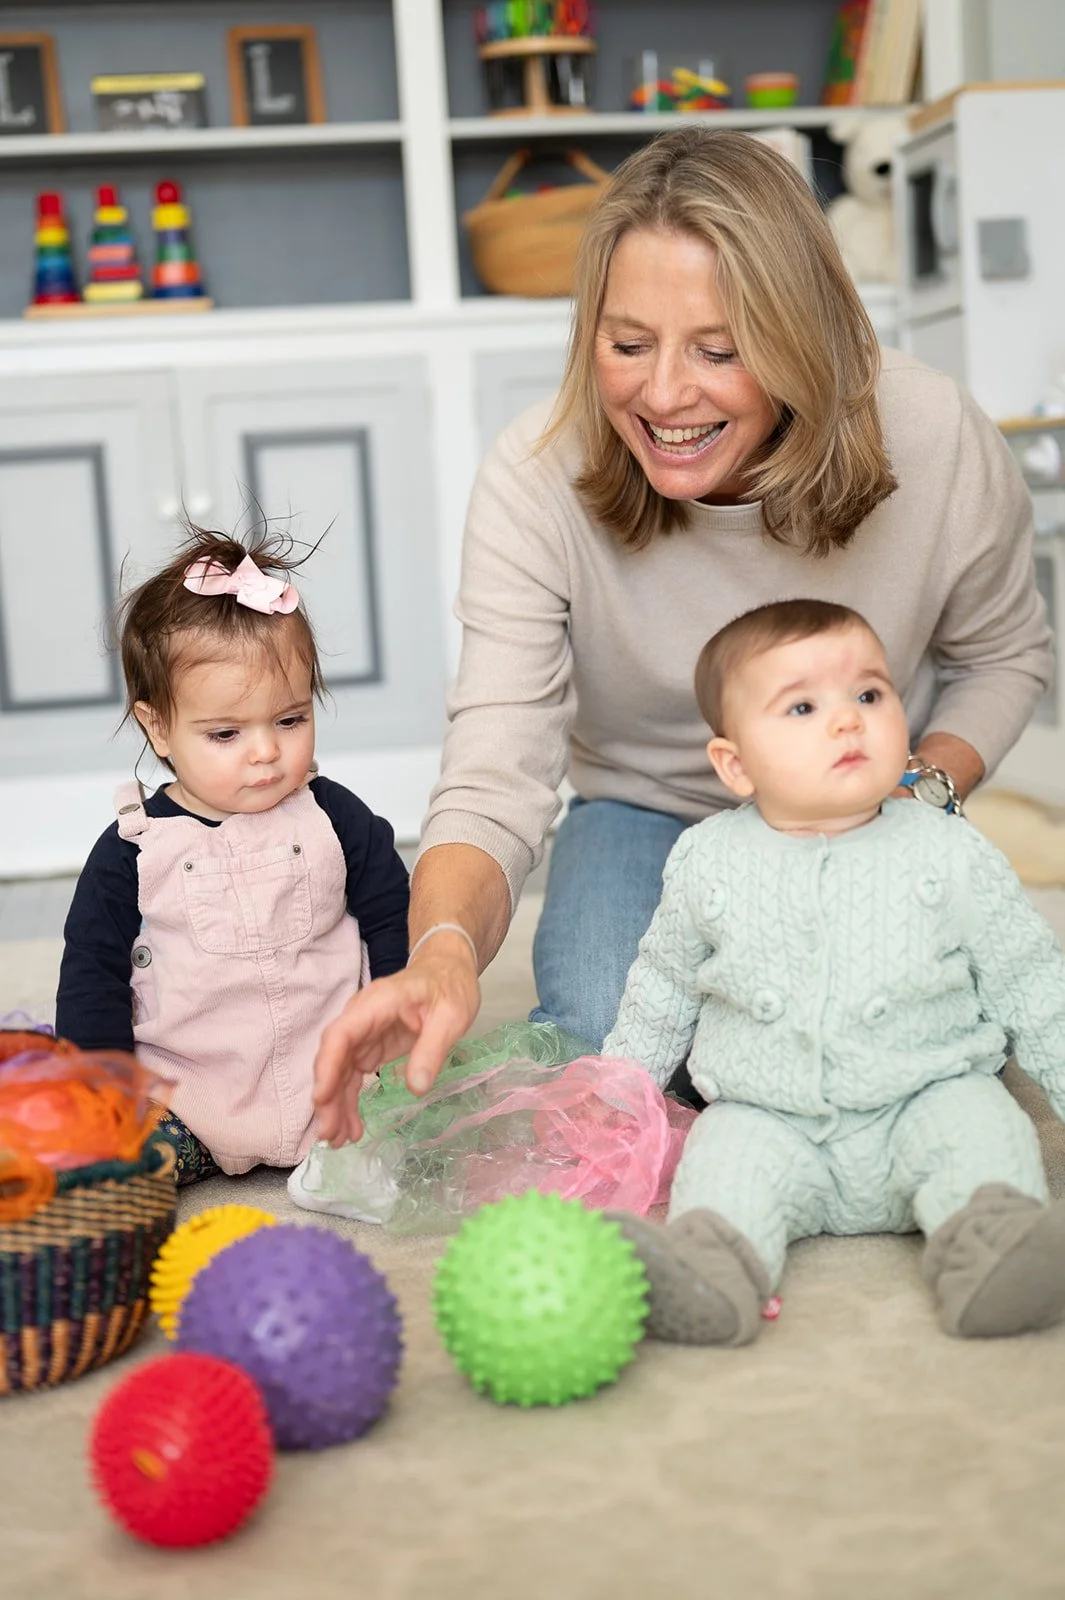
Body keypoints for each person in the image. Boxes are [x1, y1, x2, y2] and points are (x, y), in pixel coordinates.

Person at [312, 125, 1051, 1150]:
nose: (663, 395)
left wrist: (905, 795)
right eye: (627, 345)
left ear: (804, 338)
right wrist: (441, 951)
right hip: (646, 812)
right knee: (612, 1065)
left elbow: (1002, 655)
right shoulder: (536, 477)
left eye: (720, 349)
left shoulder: (932, 432)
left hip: (869, 806)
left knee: (920, 1047)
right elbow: (496, 770)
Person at [602, 598, 1065, 1346]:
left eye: (869, 695)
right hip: (770, 1115)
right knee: (724, 1161)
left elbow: (1031, 981)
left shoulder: (948, 851)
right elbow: (661, 986)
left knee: (983, 1132)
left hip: (924, 1096)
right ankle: (713, 1269)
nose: (847, 720)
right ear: (735, 764)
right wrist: (618, 1087)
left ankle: (989, 1249)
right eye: (802, 707)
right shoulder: (706, 860)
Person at [55, 527, 409, 1184]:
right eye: (225, 733)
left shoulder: (334, 817)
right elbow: (92, 978)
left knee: (437, 1133)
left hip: (335, 1087)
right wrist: (103, 1094)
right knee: (110, 1168)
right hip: (188, 1099)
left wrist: (395, 1009)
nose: (265, 752)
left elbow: (391, 914)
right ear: (157, 726)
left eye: (290, 720)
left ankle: (349, 1149)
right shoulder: (132, 850)